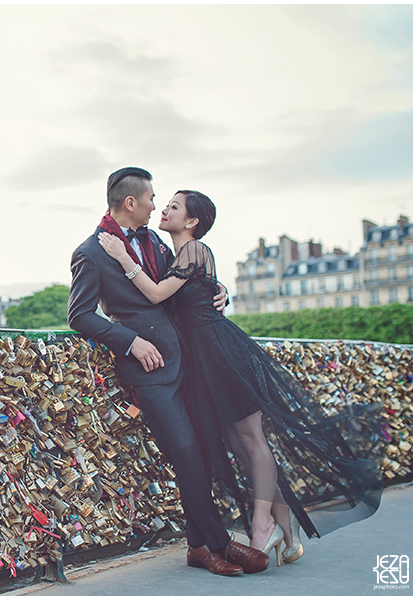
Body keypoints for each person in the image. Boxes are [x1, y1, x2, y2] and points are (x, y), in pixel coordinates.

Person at [98, 189, 384, 565]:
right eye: (163, 203)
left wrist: (121, 256)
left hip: (221, 353)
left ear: (192, 221)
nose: (164, 209)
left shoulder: (195, 249)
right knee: (239, 442)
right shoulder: (171, 252)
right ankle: (287, 528)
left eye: (173, 206)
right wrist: (219, 289)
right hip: (203, 357)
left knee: (251, 440)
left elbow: (156, 295)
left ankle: (263, 525)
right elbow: (190, 293)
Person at [68, 167, 269, 576]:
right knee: (186, 454)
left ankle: (199, 549)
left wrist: (218, 290)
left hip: (189, 363)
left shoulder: (156, 242)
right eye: (151, 199)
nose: (155, 205)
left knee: (204, 454)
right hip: (149, 370)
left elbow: (183, 283)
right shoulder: (89, 252)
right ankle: (220, 545)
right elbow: (79, 315)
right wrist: (128, 340)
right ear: (131, 203)